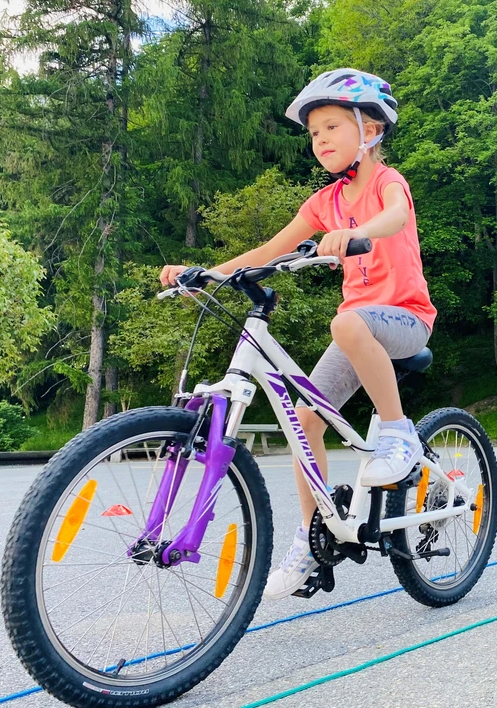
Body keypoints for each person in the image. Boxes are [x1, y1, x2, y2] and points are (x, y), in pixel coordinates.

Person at [160, 68, 436, 598]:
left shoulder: (386, 181)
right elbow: (268, 250)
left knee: (345, 321)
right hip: (356, 330)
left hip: (406, 319)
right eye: (314, 133)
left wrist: (356, 232)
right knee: (304, 421)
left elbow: (397, 217)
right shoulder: (323, 202)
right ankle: (313, 539)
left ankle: (398, 433)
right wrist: (206, 276)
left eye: (332, 127)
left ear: (371, 130)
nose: (320, 140)